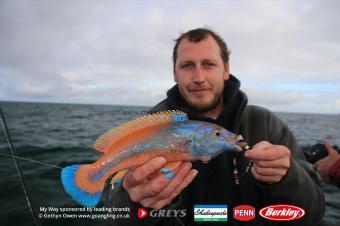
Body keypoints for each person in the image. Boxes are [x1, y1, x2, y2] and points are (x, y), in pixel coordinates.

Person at [102, 28, 325, 225]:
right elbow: (111, 214)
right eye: (187, 65)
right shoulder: (150, 127)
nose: (199, 77)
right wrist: (134, 203)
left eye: (208, 64)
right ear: (174, 73)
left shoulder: (265, 123)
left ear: (225, 69)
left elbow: (313, 213)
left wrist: (287, 178)